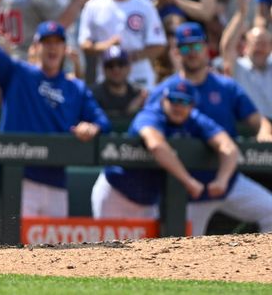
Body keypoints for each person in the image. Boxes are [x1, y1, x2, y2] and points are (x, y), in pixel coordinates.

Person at [0, 0, 111, 217]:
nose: (52, 48)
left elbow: (103, 121)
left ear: (64, 49)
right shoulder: (19, 73)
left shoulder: (75, 88)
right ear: (36, 47)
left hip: (56, 179)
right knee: (14, 246)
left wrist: (93, 127)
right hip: (19, 177)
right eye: (46, 42)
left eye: (57, 43)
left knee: (54, 250)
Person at [148, 22, 272, 235]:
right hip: (186, 188)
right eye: (185, 48)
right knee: (181, 253)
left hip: (228, 181)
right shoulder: (165, 91)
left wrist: (265, 131)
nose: (192, 53)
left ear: (206, 48)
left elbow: (257, 120)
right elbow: (149, 127)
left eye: (196, 47)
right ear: (176, 52)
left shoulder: (225, 86)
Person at [91, 80, 238, 222]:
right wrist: (188, 181)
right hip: (116, 193)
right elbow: (156, 145)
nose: (178, 106)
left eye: (185, 101)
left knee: (146, 248)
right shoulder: (150, 114)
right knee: (107, 246)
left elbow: (228, 146)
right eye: (173, 99)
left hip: (148, 202)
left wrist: (222, 179)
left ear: (192, 105)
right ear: (163, 100)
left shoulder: (195, 120)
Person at [79, 0, 167, 89]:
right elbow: (84, 44)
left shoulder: (144, 6)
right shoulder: (93, 6)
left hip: (139, 75)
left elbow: (159, 44)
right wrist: (107, 46)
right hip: (106, 75)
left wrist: (132, 57)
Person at [221, 0, 272, 116]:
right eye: (256, 43)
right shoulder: (239, 67)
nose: (260, 49)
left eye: (264, 44)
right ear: (246, 46)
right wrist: (241, 13)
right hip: (246, 130)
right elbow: (227, 47)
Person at [91, 45, 147, 122]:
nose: (116, 69)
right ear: (103, 69)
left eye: (121, 64)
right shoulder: (93, 95)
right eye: (110, 65)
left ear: (128, 67)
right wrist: (128, 112)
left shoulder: (138, 94)